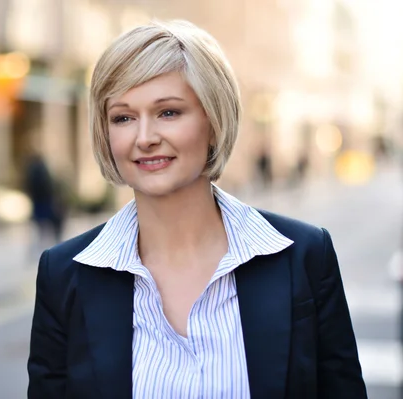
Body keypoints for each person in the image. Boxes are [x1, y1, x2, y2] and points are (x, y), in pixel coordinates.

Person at [27, 20, 367, 399]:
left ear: (213, 119)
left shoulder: (303, 256)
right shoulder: (63, 274)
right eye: (123, 118)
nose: (145, 138)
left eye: (168, 112)